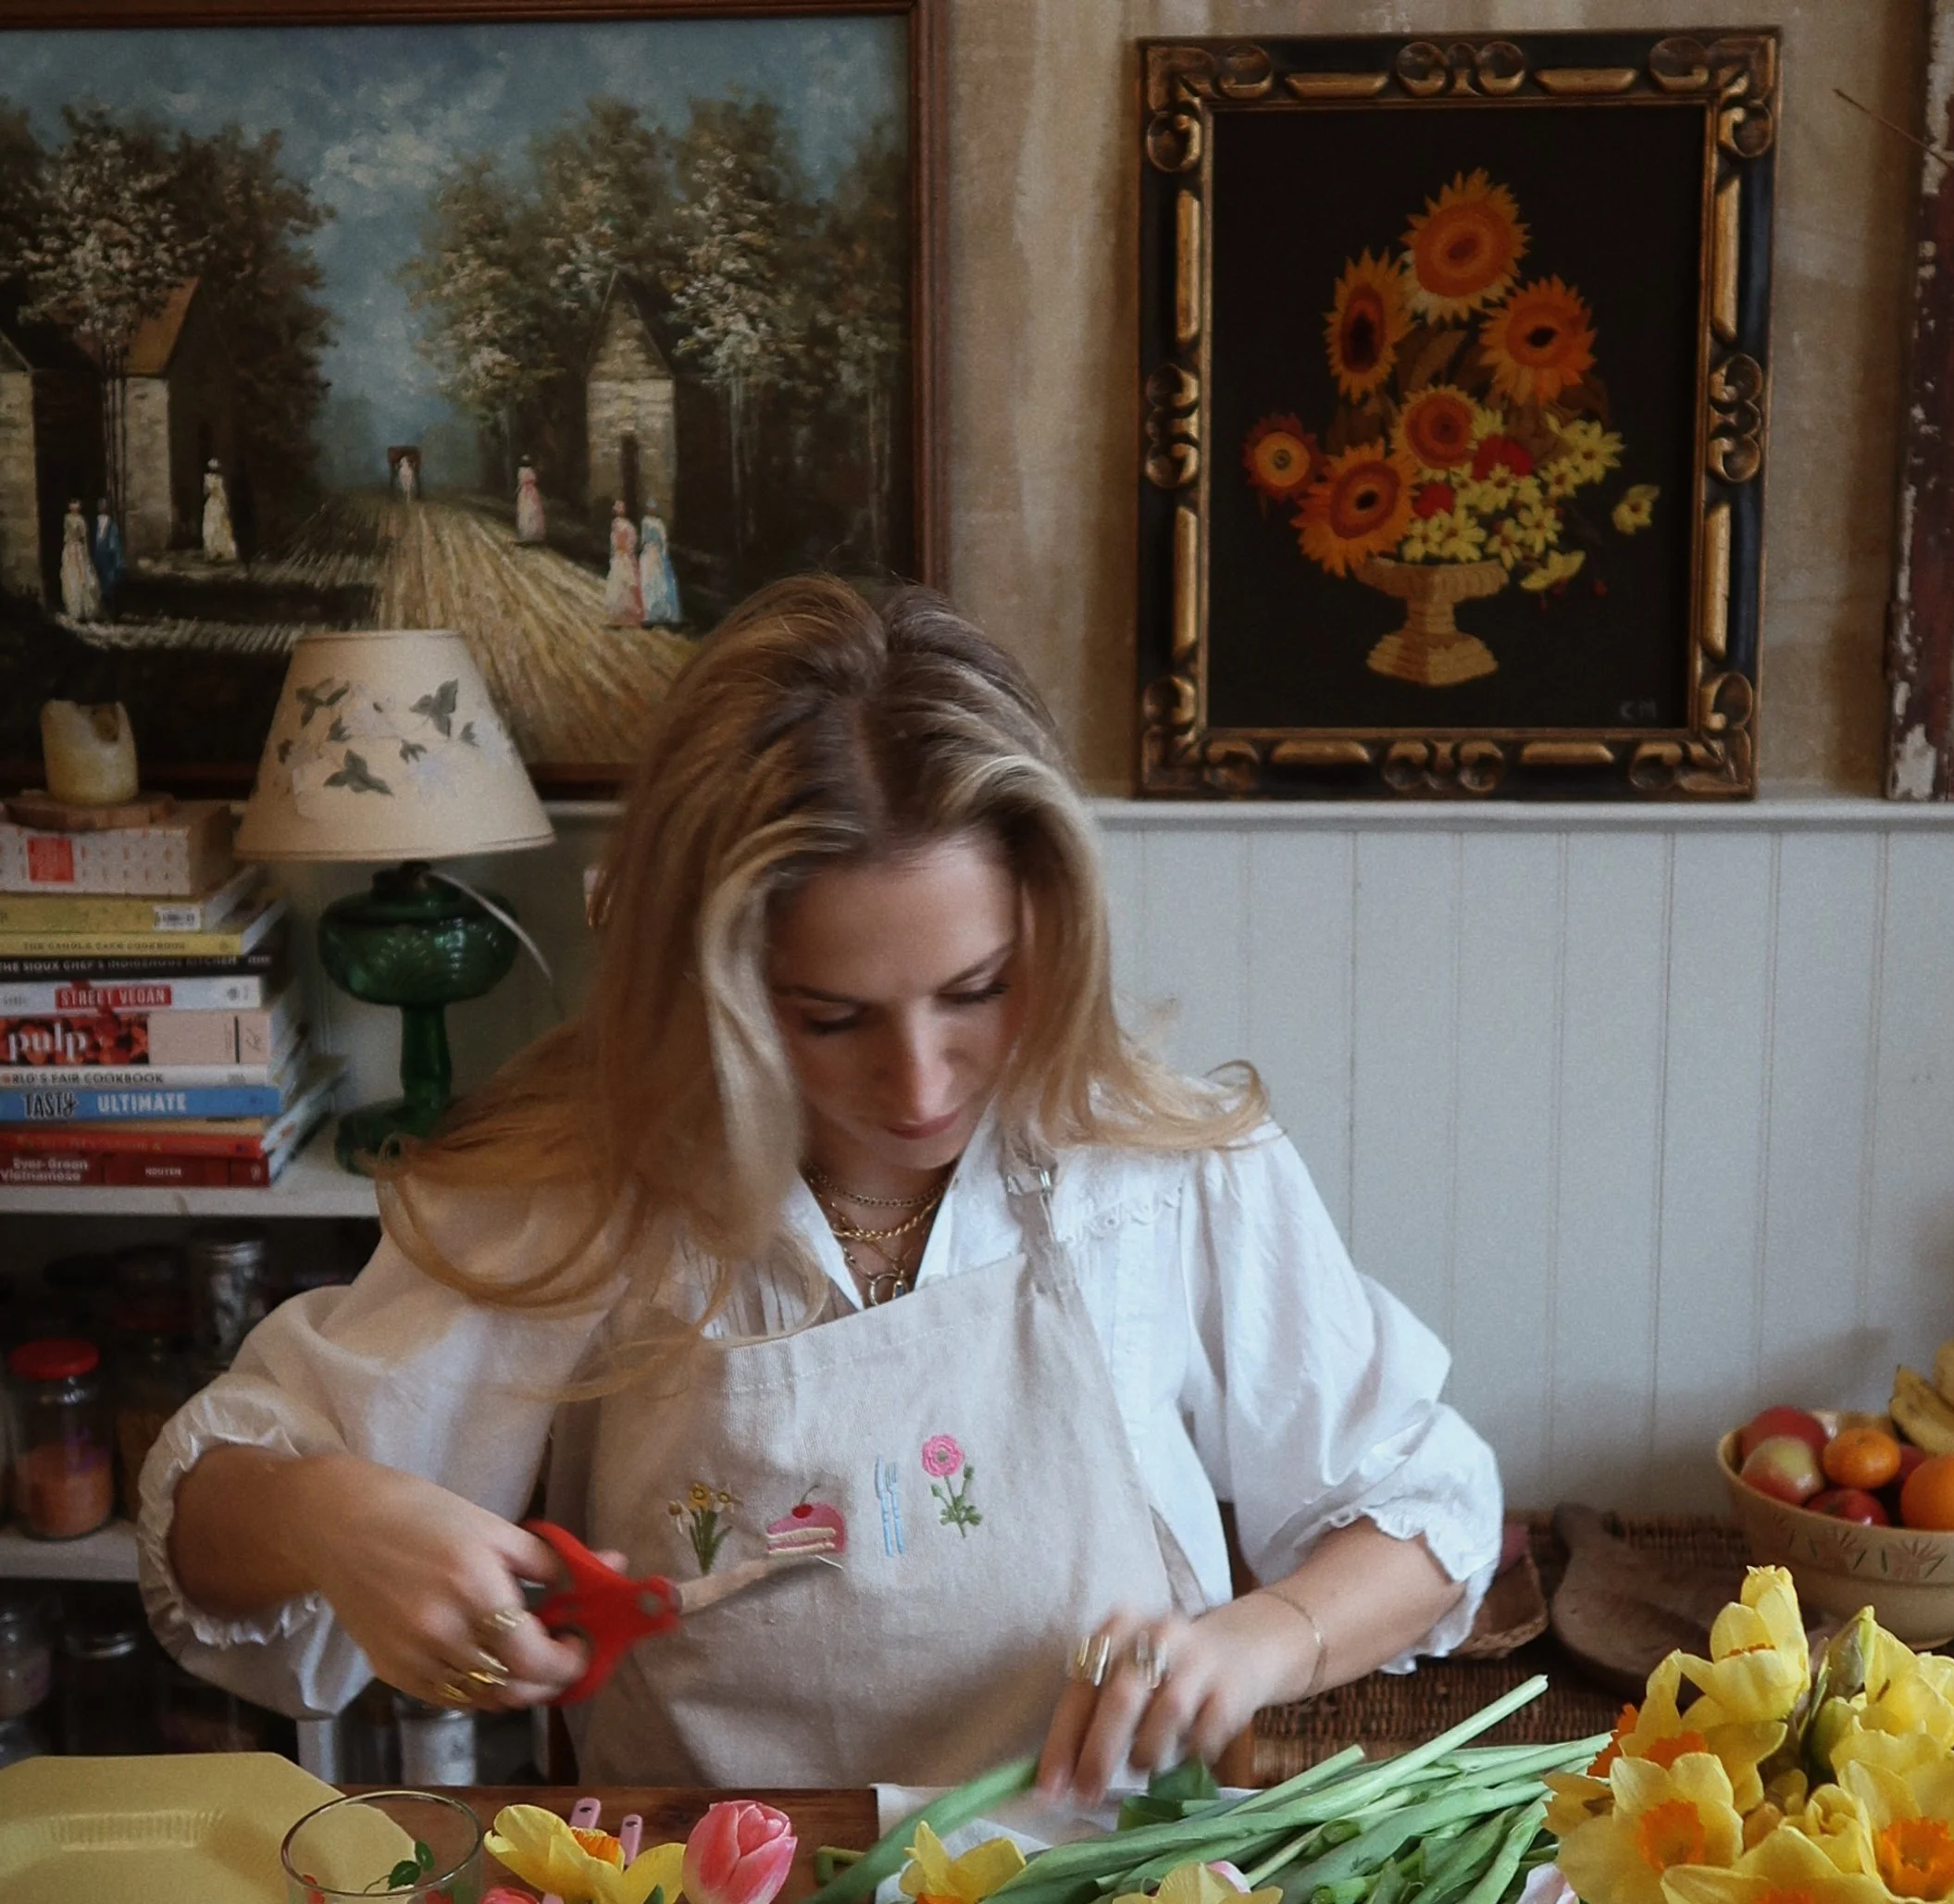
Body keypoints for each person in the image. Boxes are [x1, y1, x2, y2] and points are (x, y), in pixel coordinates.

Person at [143, 579, 1500, 1797]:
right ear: (709, 985)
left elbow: (1429, 1510)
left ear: (1052, 925)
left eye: (976, 992)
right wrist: (336, 1520)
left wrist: (1262, 1641)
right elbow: (204, 1530)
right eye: (829, 1017)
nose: (920, 1083)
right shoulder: (584, 1187)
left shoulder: (1154, 1164)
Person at [638, 502, 680, 625]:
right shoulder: (645, 521)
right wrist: (645, 547)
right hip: (648, 552)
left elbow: (663, 540)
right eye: (649, 509)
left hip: (656, 553)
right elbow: (644, 539)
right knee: (647, 581)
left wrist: (663, 553)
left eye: (652, 509)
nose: (650, 511)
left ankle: (660, 611)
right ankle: (648, 612)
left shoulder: (659, 523)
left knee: (658, 581)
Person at [57, 500, 99, 623]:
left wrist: (85, 553)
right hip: (70, 549)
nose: (75, 506)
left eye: (77, 504)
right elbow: (66, 534)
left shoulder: (81, 520)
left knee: (83, 577)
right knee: (70, 577)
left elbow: (84, 538)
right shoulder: (67, 518)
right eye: (72, 504)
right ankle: (73, 609)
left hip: (78, 550)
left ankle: (84, 609)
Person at [604, 498, 643, 624]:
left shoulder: (628, 525)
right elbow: (614, 540)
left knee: (626, 579)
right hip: (618, 554)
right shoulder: (615, 523)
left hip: (624, 554)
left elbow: (631, 539)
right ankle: (617, 608)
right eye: (617, 510)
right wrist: (615, 550)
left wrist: (626, 549)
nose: (618, 512)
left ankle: (628, 609)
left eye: (620, 510)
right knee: (617, 579)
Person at [91, 494, 125, 608]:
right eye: (100, 505)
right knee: (97, 580)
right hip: (97, 553)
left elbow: (114, 541)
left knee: (109, 581)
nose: (102, 507)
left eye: (104, 505)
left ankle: (110, 606)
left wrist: (115, 554)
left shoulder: (111, 523)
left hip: (107, 554)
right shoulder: (95, 522)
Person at [201, 459, 238, 564]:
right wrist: (225, 505)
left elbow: (206, 492)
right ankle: (216, 550)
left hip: (213, 503)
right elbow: (221, 493)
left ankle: (214, 550)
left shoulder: (208, 478)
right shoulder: (218, 479)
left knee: (216, 525)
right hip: (216, 503)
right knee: (216, 525)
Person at [515, 459, 547, 544]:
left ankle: (528, 534)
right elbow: (533, 479)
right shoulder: (530, 471)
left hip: (525, 492)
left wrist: (519, 489)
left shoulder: (520, 471)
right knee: (532, 511)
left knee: (527, 511)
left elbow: (521, 482)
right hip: (531, 492)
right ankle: (533, 534)